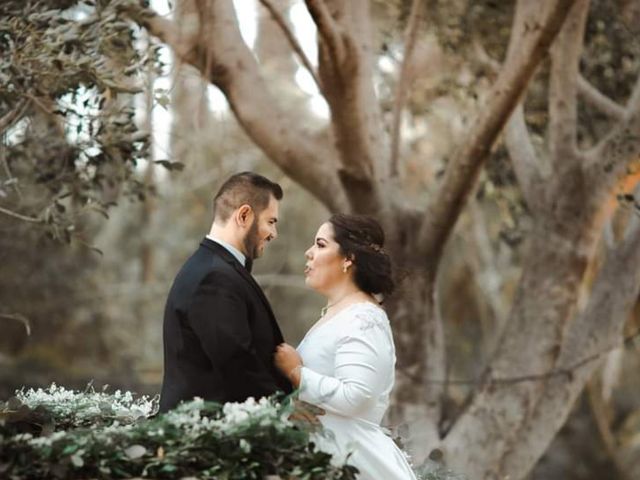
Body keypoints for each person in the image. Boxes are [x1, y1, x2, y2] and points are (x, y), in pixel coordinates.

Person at [274, 214, 417, 480]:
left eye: (320, 244)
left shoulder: (364, 317)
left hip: (354, 459)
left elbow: (358, 396)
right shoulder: (341, 313)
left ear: (348, 258)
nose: (309, 253)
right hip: (329, 455)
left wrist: (297, 373)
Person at [159, 172, 292, 413]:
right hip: (208, 439)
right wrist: (287, 412)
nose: (274, 233)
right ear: (244, 215)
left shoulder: (216, 268)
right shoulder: (215, 278)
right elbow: (237, 365)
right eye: (271, 221)